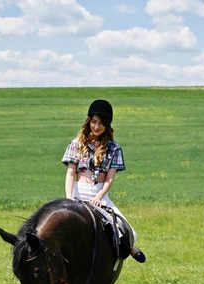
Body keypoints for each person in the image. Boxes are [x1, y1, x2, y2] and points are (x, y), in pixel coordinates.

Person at [62, 99, 146, 263]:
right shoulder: (76, 144)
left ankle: (129, 247)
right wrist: (69, 198)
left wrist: (99, 197)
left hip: (99, 195)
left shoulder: (114, 148)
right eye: (94, 121)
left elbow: (110, 178)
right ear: (88, 121)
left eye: (101, 123)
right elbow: (71, 173)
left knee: (127, 230)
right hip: (77, 193)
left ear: (107, 125)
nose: (96, 126)